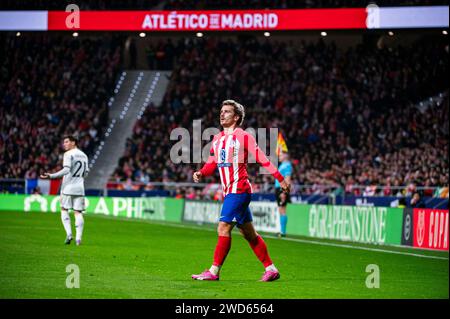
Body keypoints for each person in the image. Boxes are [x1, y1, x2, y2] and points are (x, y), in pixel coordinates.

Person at [191, 100, 291, 282]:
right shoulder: (217, 138)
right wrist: (201, 172)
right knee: (249, 234)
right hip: (230, 191)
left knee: (223, 227)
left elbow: (262, 158)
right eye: (221, 111)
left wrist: (280, 178)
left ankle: (214, 271)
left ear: (236, 117)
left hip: (240, 189)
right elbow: (213, 161)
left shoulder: (243, 136)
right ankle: (271, 269)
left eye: (227, 112)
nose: (222, 114)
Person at [40, 135, 89, 246]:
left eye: (67, 142)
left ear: (73, 142)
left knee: (63, 208)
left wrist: (51, 176)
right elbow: (86, 173)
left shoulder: (68, 154)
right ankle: (78, 239)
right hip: (80, 187)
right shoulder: (84, 155)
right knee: (78, 212)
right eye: (64, 142)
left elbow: (66, 170)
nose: (64, 144)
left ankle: (69, 234)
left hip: (68, 187)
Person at [275, 151, 292, 237]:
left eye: (281, 155)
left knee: (282, 209)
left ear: (286, 156)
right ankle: (281, 231)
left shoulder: (287, 165)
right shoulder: (282, 165)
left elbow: (288, 178)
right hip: (278, 188)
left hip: (282, 189)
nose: (279, 156)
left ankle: (283, 232)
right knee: (280, 210)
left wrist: (284, 192)